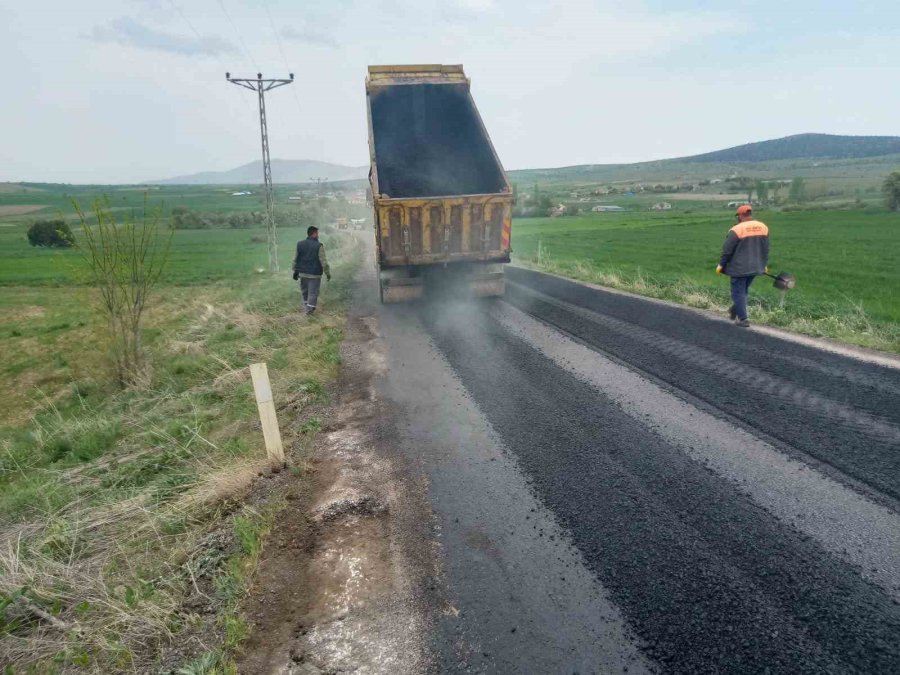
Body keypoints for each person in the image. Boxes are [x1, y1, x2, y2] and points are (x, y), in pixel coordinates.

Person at [716, 204, 769, 327]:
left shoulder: (736, 230)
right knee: (743, 291)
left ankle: (743, 319)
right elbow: (766, 249)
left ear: (740, 215)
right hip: (756, 267)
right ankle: (735, 310)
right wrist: (764, 264)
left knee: (737, 292)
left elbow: (727, 250)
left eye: (737, 216)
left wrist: (721, 265)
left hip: (739, 268)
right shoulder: (763, 227)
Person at [292, 226, 331, 315]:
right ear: (314, 234)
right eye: (317, 233)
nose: (318, 235)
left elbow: (295, 259)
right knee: (313, 293)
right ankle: (309, 312)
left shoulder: (300, 244)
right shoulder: (319, 246)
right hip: (314, 274)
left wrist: (295, 271)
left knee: (305, 292)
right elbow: (323, 262)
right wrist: (327, 273)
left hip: (303, 274)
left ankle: (307, 309)